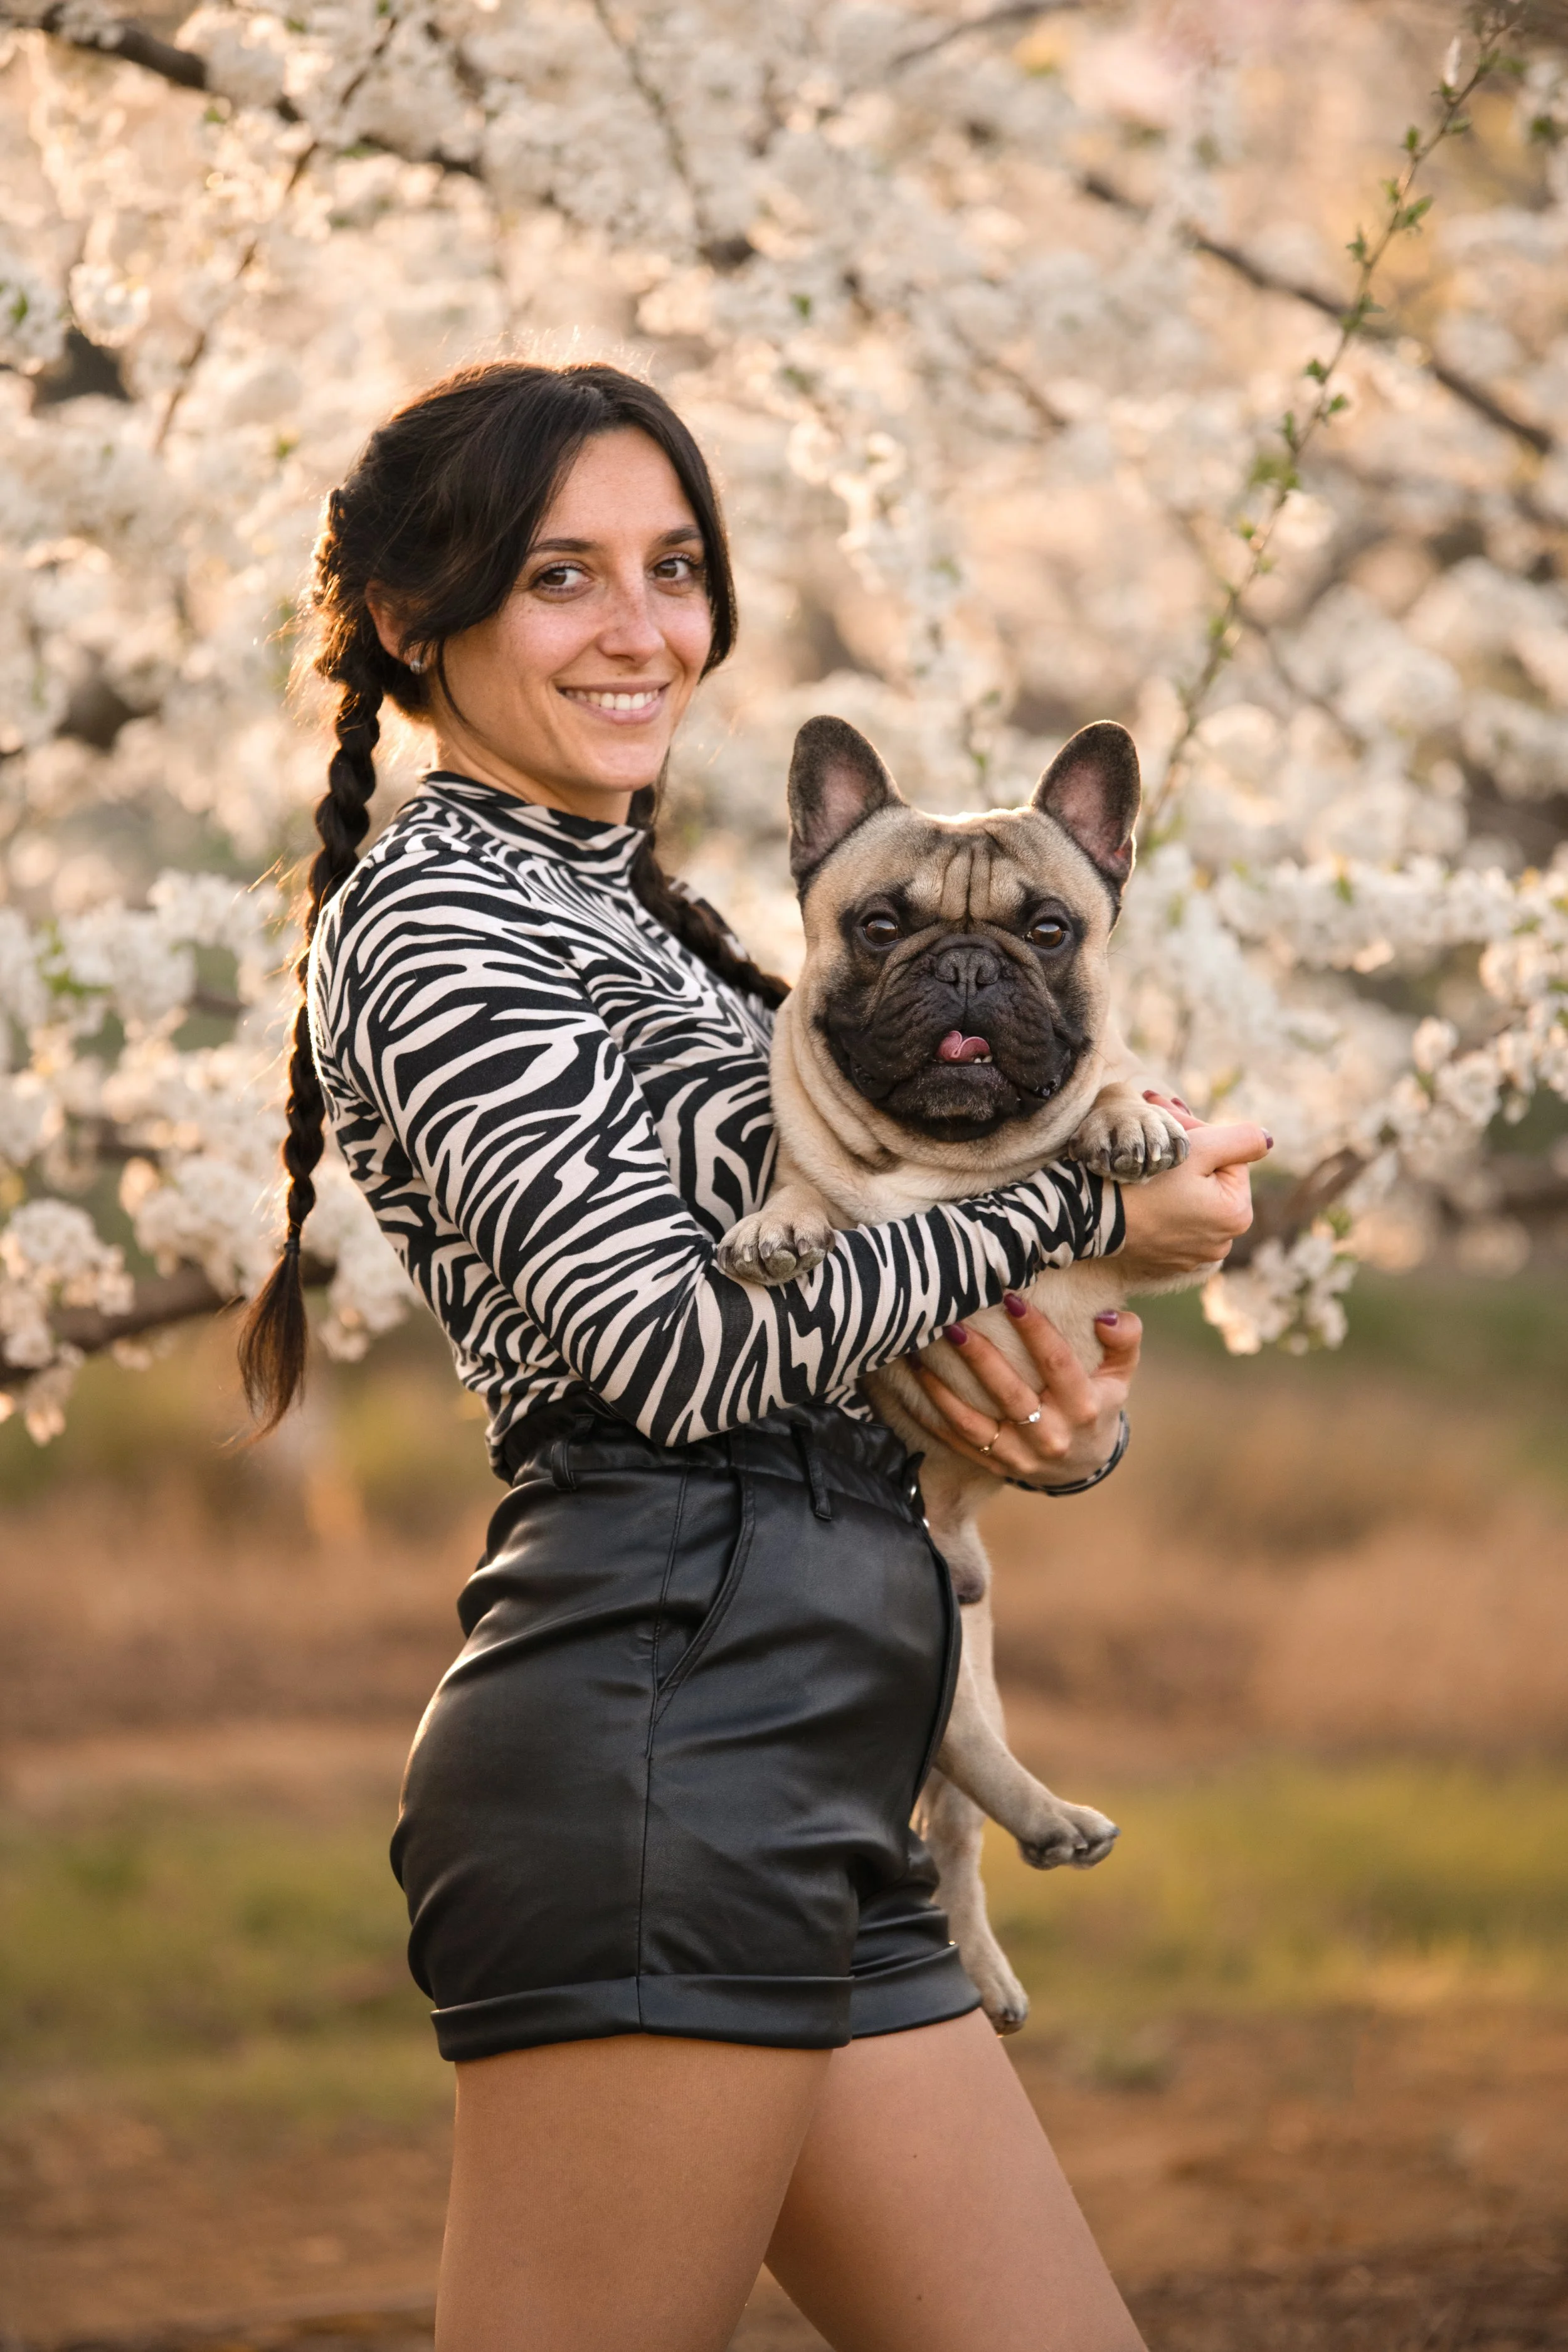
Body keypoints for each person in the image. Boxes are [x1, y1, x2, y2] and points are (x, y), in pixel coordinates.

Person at [240, 361, 1266, 2352]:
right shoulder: (442, 918)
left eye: (674, 567)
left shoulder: (670, 924)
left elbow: (856, 1324)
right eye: (563, 576)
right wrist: (1078, 1213)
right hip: (660, 1739)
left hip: (824, 1757)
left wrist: (1045, 1415)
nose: (642, 629)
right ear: (411, 615)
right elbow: (675, 1351)